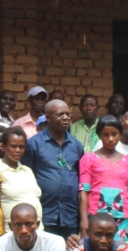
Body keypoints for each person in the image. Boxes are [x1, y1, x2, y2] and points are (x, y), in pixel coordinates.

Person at [23, 99, 84, 239]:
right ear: (48, 118)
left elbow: (81, 179)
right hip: (44, 214)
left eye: (68, 114)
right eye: (60, 115)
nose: (66, 118)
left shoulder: (76, 146)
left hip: (70, 215)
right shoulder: (34, 144)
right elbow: (26, 176)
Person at [79, 116, 128, 241]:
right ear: (99, 135)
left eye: (114, 134)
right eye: (105, 135)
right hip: (96, 216)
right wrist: (84, 221)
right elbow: (83, 192)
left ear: (120, 134)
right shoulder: (89, 158)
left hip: (122, 217)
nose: (110, 139)